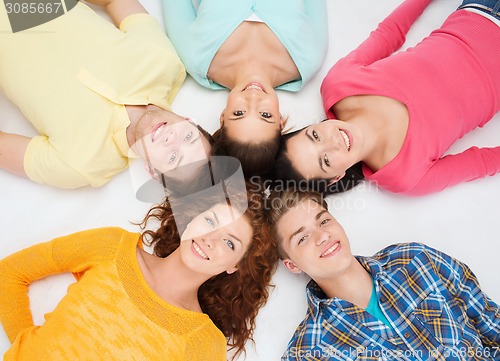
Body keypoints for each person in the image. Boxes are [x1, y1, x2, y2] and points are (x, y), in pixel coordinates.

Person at [0, 181, 278, 360]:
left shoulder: (202, 344)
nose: (210, 238)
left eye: (230, 242)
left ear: (234, 266)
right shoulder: (111, 246)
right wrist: (24, 348)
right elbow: (9, 273)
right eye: (210, 220)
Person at [273, 0, 500, 196]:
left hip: (479, 8)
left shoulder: (338, 85)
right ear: (336, 178)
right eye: (326, 161)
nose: (333, 142)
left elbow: (389, 32)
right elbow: (482, 163)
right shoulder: (405, 177)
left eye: (314, 136)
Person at [0, 0, 213, 189]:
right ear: (189, 121)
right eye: (188, 137)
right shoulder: (164, 63)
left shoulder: (80, 165)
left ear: (152, 172)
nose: (171, 139)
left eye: (173, 158)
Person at [267, 188, 500, 360]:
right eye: (303, 238)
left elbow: (491, 323)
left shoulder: (414, 259)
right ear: (292, 265)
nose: (323, 236)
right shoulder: (308, 352)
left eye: (324, 221)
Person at [161, 0, 328, 176]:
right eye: (265, 115)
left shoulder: (195, 58)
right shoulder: (309, 58)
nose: (253, 98)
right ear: (280, 120)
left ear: (223, 117)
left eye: (239, 113)